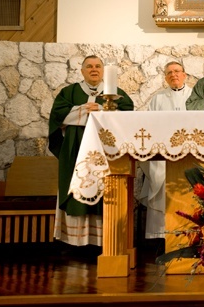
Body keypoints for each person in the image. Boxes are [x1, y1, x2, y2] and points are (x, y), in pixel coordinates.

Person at [49, 55, 134, 247]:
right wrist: (83, 110)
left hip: (106, 151)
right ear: (82, 71)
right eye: (89, 67)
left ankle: (106, 240)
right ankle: (73, 242)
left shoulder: (116, 94)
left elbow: (128, 116)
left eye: (97, 66)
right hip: (76, 150)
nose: (94, 70)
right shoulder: (69, 92)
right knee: (77, 189)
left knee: (105, 191)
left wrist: (105, 111)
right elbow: (57, 116)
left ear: (103, 71)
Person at [139, 61, 192, 239]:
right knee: (158, 174)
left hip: (190, 152)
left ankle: (190, 233)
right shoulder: (158, 98)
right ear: (165, 77)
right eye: (169, 73)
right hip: (164, 152)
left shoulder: (195, 96)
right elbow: (149, 125)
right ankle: (160, 235)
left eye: (177, 71)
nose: (173, 75)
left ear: (185, 75)